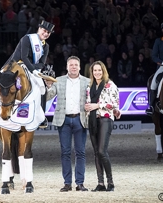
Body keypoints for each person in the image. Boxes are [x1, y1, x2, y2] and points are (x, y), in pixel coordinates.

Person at [0, 20, 55, 128]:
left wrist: (35, 70)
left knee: (42, 88)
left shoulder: (46, 46)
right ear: (39, 29)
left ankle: (41, 117)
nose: (46, 34)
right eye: (44, 31)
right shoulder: (27, 38)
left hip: (33, 69)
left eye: (48, 33)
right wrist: (33, 69)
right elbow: (23, 56)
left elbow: (42, 63)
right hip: (14, 65)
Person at [45, 56, 90, 192]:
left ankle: (80, 183)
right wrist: (48, 87)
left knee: (80, 152)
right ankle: (67, 183)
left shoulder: (87, 82)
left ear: (80, 67)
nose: (74, 67)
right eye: (71, 65)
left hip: (80, 119)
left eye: (76, 65)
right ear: (67, 67)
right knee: (65, 152)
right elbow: (48, 97)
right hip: (63, 120)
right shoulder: (59, 80)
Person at [85, 60, 120, 192]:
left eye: (99, 70)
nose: (97, 72)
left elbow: (114, 103)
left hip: (105, 119)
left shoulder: (110, 85)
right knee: (96, 153)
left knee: (101, 151)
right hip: (93, 119)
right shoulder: (90, 86)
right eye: (95, 70)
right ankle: (100, 183)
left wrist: (97, 105)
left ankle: (110, 182)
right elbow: (88, 102)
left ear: (103, 71)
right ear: (92, 72)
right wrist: (87, 106)